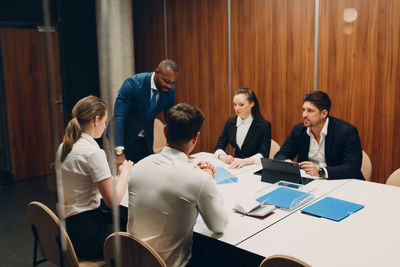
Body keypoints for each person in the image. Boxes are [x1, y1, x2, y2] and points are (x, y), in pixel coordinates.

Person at [127, 103, 229, 267]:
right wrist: (209, 179)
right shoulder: (199, 179)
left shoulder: (138, 167)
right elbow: (219, 226)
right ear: (196, 137)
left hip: (131, 261)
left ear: (165, 130)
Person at [55, 95, 134, 259]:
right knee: (135, 242)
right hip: (86, 235)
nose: (105, 126)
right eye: (105, 121)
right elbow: (112, 202)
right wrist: (125, 173)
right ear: (96, 120)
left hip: (69, 228)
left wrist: (117, 178)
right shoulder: (93, 153)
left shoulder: (64, 146)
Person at [274, 91, 364, 180]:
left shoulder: (346, 131)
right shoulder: (299, 130)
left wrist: (321, 172)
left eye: (310, 111)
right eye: (303, 110)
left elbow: (353, 167)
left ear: (323, 114)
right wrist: (286, 163)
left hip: (339, 182)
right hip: (309, 181)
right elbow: (280, 155)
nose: (304, 115)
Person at [113, 59, 178, 164]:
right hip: (124, 137)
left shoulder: (170, 91)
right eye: (166, 81)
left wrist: (177, 148)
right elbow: (119, 117)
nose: (169, 86)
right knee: (124, 174)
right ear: (157, 73)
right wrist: (119, 152)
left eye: (172, 83)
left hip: (146, 139)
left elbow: (171, 120)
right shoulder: (132, 84)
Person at [214, 88, 271, 168]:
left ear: (252, 104)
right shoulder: (230, 122)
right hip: (235, 167)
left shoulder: (264, 125)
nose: (237, 108)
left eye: (241, 105)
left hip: (253, 168)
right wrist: (223, 156)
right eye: (234, 104)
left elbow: (264, 155)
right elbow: (219, 146)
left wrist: (246, 161)